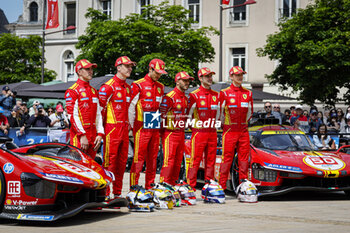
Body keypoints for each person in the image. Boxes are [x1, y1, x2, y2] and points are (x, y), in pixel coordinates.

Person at [98, 56, 135, 197]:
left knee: (122, 163)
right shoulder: (108, 86)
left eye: (131, 66)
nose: (130, 69)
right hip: (111, 129)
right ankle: (105, 193)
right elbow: (99, 111)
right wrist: (100, 131)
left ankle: (118, 194)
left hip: (124, 130)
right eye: (127, 66)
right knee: (109, 163)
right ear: (118, 67)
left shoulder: (128, 88)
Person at [129, 58, 165, 189]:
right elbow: (131, 106)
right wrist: (132, 126)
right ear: (150, 69)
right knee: (138, 158)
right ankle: (134, 186)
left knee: (153, 158)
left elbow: (160, 107)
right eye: (157, 72)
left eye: (161, 73)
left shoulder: (161, 87)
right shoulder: (138, 84)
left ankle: (150, 186)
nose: (159, 75)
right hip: (141, 126)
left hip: (154, 123)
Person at [218, 66, 253, 190]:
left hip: (243, 130)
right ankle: (221, 186)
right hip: (229, 130)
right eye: (237, 75)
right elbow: (219, 113)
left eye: (241, 74)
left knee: (244, 159)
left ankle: (244, 185)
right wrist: (226, 125)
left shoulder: (248, 93)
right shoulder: (224, 93)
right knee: (226, 159)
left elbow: (250, 112)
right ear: (231, 76)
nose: (240, 77)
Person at [186, 67, 219, 189]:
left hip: (212, 132)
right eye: (207, 76)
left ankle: (209, 186)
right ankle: (190, 187)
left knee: (211, 161)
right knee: (195, 160)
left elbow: (219, 115)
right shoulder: (194, 95)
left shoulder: (216, 95)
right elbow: (188, 115)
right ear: (200, 78)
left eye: (211, 76)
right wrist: (194, 128)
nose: (210, 79)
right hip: (199, 132)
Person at [65, 59, 104, 159]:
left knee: (91, 168)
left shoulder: (94, 91)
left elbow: (98, 114)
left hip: (93, 137)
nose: (91, 71)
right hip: (79, 137)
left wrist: (100, 134)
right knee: (78, 167)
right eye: (87, 69)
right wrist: (82, 135)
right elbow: (72, 116)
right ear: (79, 71)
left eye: (91, 69)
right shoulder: (73, 91)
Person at [159, 71, 193, 185]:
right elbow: (161, 117)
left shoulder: (185, 97)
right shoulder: (169, 97)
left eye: (188, 81)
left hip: (181, 133)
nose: (187, 83)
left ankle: (173, 186)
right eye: (184, 80)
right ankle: (163, 186)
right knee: (169, 161)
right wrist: (161, 134)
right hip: (170, 133)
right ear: (177, 81)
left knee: (178, 162)